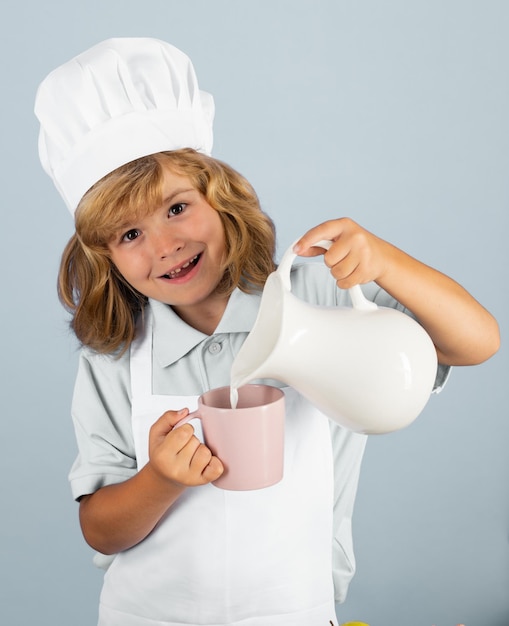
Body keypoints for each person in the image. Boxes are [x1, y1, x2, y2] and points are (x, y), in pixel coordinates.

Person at [34, 38, 499, 626]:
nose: (165, 245)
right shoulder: (117, 354)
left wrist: (385, 261)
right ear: (105, 259)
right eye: (129, 235)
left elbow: (478, 340)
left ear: (221, 196)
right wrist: (160, 478)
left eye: (177, 208)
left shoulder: (320, 295)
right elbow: (100, 531)